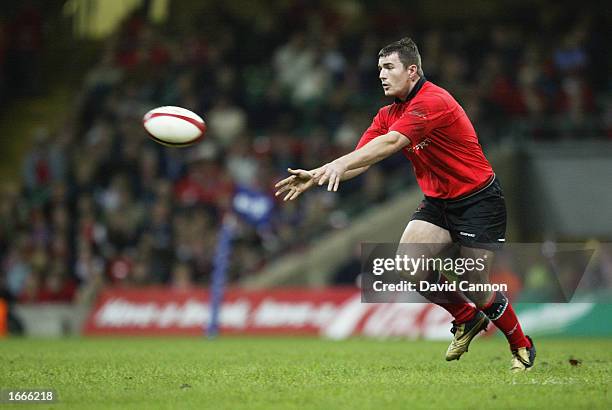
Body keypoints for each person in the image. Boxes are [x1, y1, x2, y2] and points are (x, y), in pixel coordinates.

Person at [275, 37, 536, 372]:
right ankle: (466, 318)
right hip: (439, 201)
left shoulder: (433, 101)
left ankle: (521, 346)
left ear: (412, 71)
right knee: (409, 264)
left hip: (478, 200)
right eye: (379, 68)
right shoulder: (388, 114)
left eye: (389, 67)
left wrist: (339, 164)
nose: (382, 75)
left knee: (473, 283)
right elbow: (363, 160)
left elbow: (393, 142)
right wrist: (316, 174)